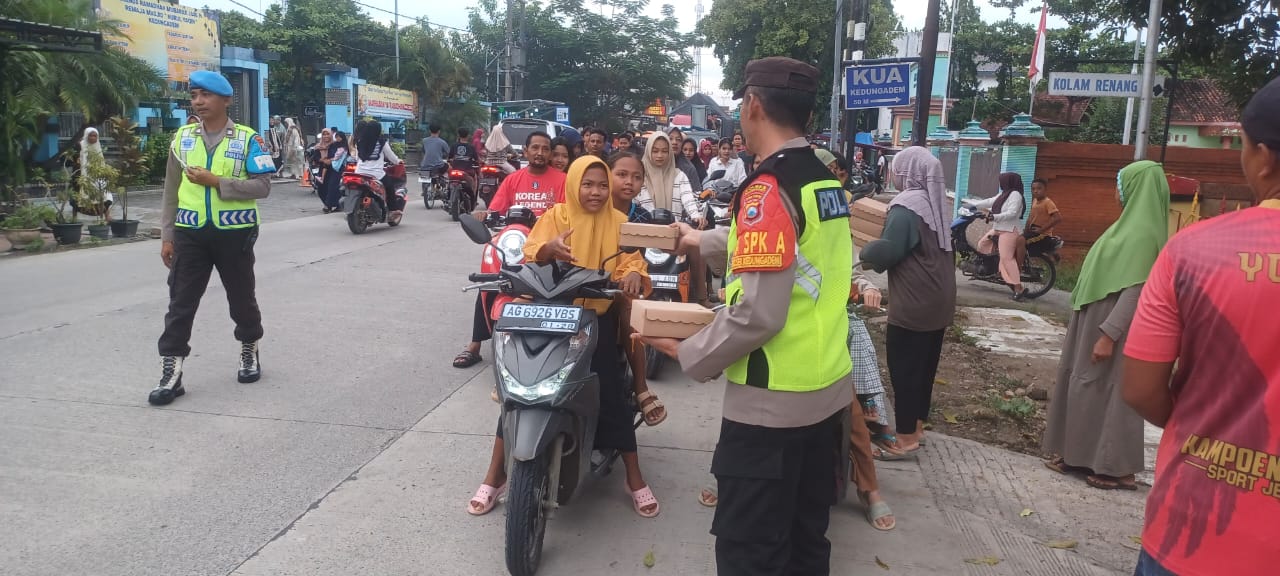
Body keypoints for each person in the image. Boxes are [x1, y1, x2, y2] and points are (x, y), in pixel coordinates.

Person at [640, 57, 854, 576]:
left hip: (769, 411)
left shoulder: (764, 189)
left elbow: (759, 315)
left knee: (751, 552)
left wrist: (689, 351)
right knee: (807, 542)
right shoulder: (822, 182)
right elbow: (796, 254)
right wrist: (702, 240)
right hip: (827, 395)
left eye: (741, 102)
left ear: (754, 104)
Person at [1121, 76, 1280, 576]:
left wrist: (1201, 431)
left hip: (1195, 529)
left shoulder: (1192, 251)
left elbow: (1141, 387)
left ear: (1263, 156)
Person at [468, 156, 660, 518]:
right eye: (587, 184)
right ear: (573, 184)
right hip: (551, 315)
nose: (596, 191)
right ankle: (496, 474)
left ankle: (633, 477)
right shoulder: (555, 217)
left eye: (602, 185)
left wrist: (633, 274)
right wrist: (548, 248)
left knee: (612, 397)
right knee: (522, 395)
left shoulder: (620, 222)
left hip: (594, 319)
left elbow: (634, 261)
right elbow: (529, 253)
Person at [1040, 160, 1169, 491]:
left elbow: (1136, 289)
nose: (1116, 191)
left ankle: (1115, 468)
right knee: (1086, 387)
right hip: (1093, 320)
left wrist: (1109, 334)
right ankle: (1078, 455)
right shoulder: (1126, 227)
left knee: (1111, 393)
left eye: (1120, 184)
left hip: (1112, 326)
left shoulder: (1143, 233)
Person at [150, 70, 273, 406]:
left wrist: (216, 181)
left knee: (241, 298)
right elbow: (170, 191)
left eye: (205, 95)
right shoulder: (183, 139)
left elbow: (263, 187)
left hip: (235, 233)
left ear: (226, 100)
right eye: (194, 96)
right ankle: (171, 372)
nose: (198, 102)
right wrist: (167, 236)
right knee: (180, 302)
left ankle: (249, 348)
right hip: (190, 233)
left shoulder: (249, 140)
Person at [861, 146, 958, 453]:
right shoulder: (934, 201)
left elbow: (889, 251)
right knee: (924, 367)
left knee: (905, 369)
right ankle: (916, 426)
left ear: (907, 172)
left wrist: (863, 250)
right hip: (938, 300)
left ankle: (904, 438)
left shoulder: (906, 206)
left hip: (914, 303)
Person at [453, 132, 566, 370]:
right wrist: (483, 215)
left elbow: (569, 215)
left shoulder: (562, 180)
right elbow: (495, 209)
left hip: (547, 248)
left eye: (545, 149)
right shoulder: (513, 179)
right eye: (534, 148)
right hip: (515, 244)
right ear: (525, 151)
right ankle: (474, 345)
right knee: (490, 281)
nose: (539, 153)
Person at [608, 150, 668, 426]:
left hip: (624, 285)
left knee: (628, 307)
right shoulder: (579, 210)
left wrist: (633, 271)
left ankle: (641, 386)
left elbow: (637, 259)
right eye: (621, 174)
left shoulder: (641, 216)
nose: (628, 182)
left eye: (636, 177)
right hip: (581, 285)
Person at [638, 132, 709, 305]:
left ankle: (702, 296)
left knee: (697, 248)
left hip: (674, 232)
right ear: (648, 152)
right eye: (655, 151)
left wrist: (696, 215)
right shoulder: (640, 175)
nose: (659, 155)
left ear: (670, 153)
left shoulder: (680, 175)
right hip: (645, 233)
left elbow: (688, 198)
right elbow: (638, 200)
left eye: (664, 151)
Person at [967, 173, 1028, 300]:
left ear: (1009, 181)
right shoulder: (1004, 194)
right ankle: (991, 269)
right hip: (998, 228)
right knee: (982, 244)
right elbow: (990, 201)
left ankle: (1018, 288)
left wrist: (995, 216)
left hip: (1010, 230)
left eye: (1003, 181)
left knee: (1006, 258)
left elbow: (1012, 213)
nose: (1001, 183)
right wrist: (972, 204)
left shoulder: (1016, 195)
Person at [351, 120, 406, 225]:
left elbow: (358, 158)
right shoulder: (382, 142)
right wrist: (399, 161)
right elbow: (391, 157)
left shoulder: (360, 141)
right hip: (376, 174)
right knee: (390, 187)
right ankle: (393, 210)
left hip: (359, 173)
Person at [1017, 177, 1062, 263]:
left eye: (1039, 188)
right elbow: (1030, 217)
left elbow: (1058, 218)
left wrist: (1041, 230)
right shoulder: (1034, 201)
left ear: (1045, 189)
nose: (1036, 191)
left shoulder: (1048, 202)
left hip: (1042, 234)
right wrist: (1025, 230)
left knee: (1020, 241)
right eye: (1033, 189)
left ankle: (1018, 268)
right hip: (1032, 231)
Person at [322, 130, 349, 213]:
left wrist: (331, 159)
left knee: (335, 187)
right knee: (331, 186)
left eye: (339, 137)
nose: (337, 138)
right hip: (331, 168)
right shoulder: (333, 145)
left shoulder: (345, 147)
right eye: (336, 137)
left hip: (340, 169)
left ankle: (330, 206)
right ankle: (330, 205)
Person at [449, 127, 480, 194]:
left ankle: (448, 195)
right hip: (467, 171)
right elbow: (477, 160)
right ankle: (473, 198)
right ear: (468, 136)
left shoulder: (454, 146)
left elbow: (449, 158)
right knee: (475, 179)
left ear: (459, 135)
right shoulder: (471, 147)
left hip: (455, 170)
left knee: (449, 182)